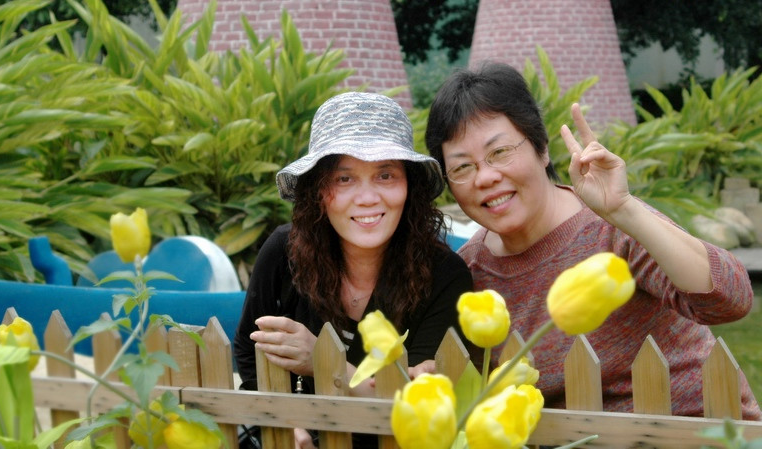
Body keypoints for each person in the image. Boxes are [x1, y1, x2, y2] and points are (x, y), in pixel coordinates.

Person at [425, 61, 761, 420]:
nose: (485, 177)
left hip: (702, 435)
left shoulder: (611, 225)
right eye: (462, 167)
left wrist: (625, 210)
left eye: (500, 152)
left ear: (542, 148)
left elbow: (731, 302)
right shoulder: (470, 272)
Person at [234, 91, 474, 447]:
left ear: (410, 185)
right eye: (344, 179)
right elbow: (248, 351)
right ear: (318, 190)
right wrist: (283, 424)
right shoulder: (285, 252)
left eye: (385, 175)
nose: (367, 198)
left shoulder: (444, 275)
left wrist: (323, 360)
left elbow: (415, 409)